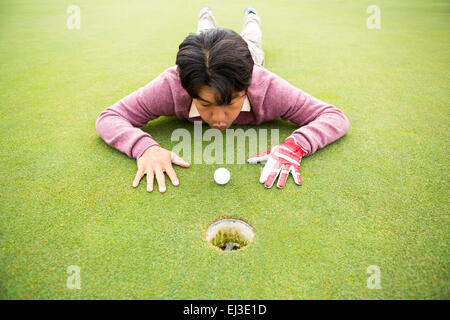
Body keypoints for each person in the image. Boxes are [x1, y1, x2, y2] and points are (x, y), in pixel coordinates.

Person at [95, 7, 349, 193]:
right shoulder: (171, 85)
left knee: (252, 41)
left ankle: (251, 17)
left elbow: (334, 117)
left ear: (247, 87)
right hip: (209, 53)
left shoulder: (268, 87)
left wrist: (296, 145)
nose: (218, 119)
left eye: (230, 103)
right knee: (205, 38)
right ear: (188, 89)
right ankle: (205, 18)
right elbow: (109, 118)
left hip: (248, 55)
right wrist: (145, 148)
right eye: (205, 104)